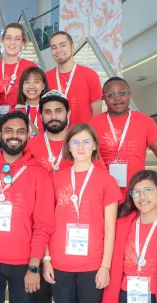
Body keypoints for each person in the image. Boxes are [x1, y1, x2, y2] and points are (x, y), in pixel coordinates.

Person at [0, 111, 54, 303]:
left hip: (23, 262)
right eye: (8, 130)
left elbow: (43, 224)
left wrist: (34, 266)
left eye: (21, 131)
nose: (14, 136)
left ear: (28, 135)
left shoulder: (39, 174)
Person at [43, 124, 121, 303]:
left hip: (93, 266)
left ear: (94, 145)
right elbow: (46, 222)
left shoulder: (107, 182)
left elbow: (110, 228)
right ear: (68, 146)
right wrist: (46, 259)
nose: (80, 147)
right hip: (59, 264)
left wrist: (105, 267)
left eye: (86, 141)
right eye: (75, 142)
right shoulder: (55, 178)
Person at [103, 170, 157, 303]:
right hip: (125, 295)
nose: (142, 197)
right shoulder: (120, 226)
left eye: (148, 190)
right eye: (136, 192)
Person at [89, 77, 157, 200]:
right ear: (103, 98)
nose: (117, 98)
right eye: (111, 94)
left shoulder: (146, 121)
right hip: (103, 194)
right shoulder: (93, 125)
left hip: (136, 194)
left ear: (129, 94)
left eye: (122, 93)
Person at [27, 90, 106, 174]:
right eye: (47, 112)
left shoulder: (83, 144)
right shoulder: (30, 146)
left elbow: (103, 178)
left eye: (58, 111)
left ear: (68, 113)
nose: (53, 116)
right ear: (41, 116)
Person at [46, 31, 102, 125]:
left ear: (72, 47)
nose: (58, 50)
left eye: (63, 45)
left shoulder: (90, 75)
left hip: (83, 136)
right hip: (56, 136)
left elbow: (97, 114)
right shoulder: (45, 78)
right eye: (53, 47)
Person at [0, 23, 38, 115]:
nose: (12, 42)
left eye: (17, 39)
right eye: (8, 38)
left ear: (23, 42)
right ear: (2, 40)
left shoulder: (30, 67)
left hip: (23, 119)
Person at [14, 66, 48, 138]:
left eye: (36, 82)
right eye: (27, 82)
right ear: (22, 86)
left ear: (43, 86)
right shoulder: (15, 112)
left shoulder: (50, 111)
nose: (31, 86)